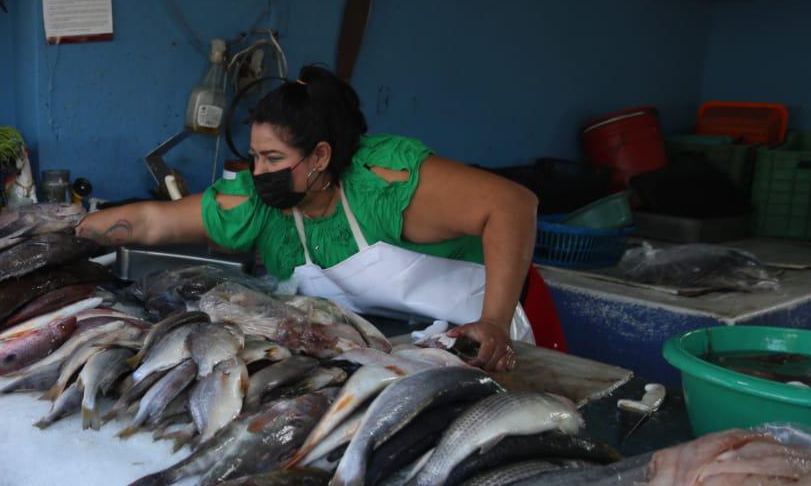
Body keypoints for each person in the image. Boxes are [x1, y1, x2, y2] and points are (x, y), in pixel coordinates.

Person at [76, 66, 543, 371]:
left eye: (274, 158)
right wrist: (68, 229)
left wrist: (495, 323)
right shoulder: (265, 206)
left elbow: (513, 206)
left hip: (487, 345)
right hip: (396, 357)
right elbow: (154, 223)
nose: (259, 173)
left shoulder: (381, 183)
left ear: (320, 155)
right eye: (255, 157)